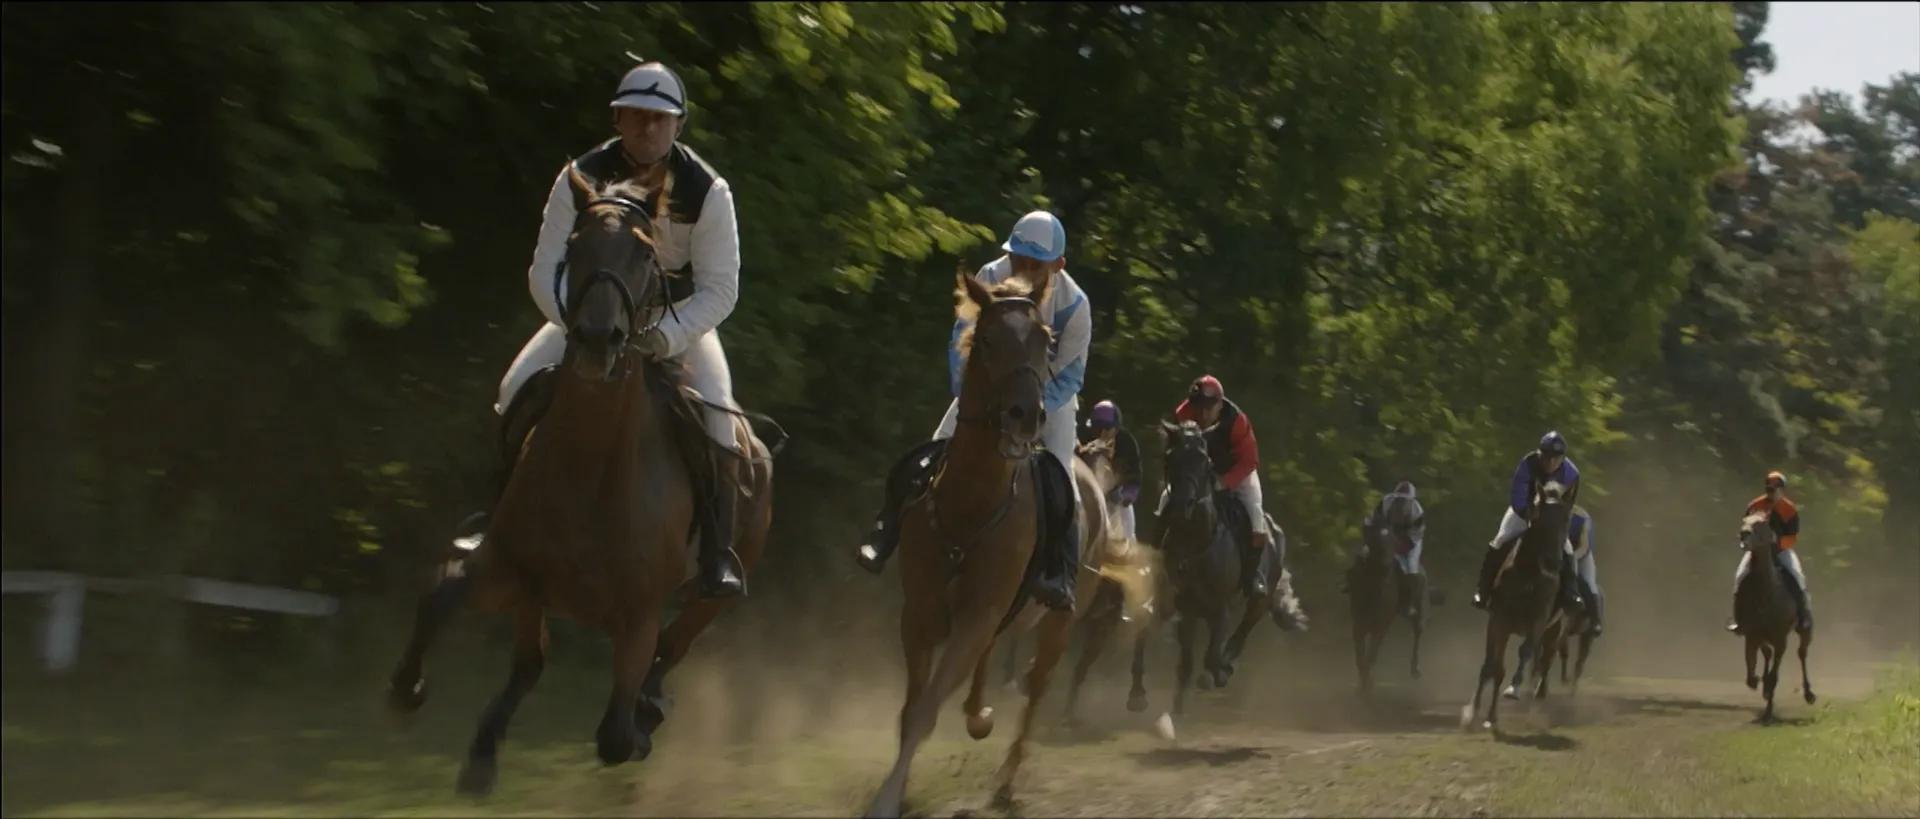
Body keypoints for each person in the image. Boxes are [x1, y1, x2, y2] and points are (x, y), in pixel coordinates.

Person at [456, 61, 749, 599]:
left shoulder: (708, 191)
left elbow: (720, 289)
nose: (648, 128)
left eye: (661, 119)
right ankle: (490, 523)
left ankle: (716, 552)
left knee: (719, 419)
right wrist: (584, 326)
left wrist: (664, 338)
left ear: (679, 126)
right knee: (513, 387)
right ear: (617, 118)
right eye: (637, 116)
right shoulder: (580, 176)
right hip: (589, 317)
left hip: (673, 319)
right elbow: (544, 271)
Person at [851, 210, 1093, 611]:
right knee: (935, 448)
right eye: (1019, 260)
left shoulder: (1076, 306)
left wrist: (1032, 411)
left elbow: (1069, 376)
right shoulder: (989, 276)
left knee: (1064, 480)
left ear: (1059, 265)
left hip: (1049, 400)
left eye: (1037, 266)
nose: (1025, 271)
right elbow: (960, 343)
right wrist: (970, 395)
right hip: (990, 392)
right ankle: (885, 533)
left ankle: (1060, 573)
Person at [1159, 375, 1274, 598]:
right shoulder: (1184, 412)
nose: (1202, 414)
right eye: (1198, 407)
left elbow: (1250, 460)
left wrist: (1226, 481)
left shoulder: (1237, 421)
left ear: (1220, 404)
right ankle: (1155, 560)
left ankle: (1253, 575)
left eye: (1208, 407)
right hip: (1202, 471)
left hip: (1238, 471)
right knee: (1166, 498)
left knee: (1255, 514)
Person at [1473, 431, 1581, 612]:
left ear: (1562, 458)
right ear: (1540, 454)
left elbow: (1568, 503)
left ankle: (1571, 593)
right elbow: (1517, 492)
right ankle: (1482, 591)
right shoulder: (1528, 464)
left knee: (1568, 550)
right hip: (1524, 510)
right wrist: (1527, 512)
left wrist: (1556, 520)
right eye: (1547, 457)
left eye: (1556, 458)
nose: (1551, 463)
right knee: (1500, 540)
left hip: (1552, 518)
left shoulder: (1572, 474)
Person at [1729, 471, 1811, 633]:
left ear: (1782, 490)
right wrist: (1745, 540)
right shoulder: (1755, 505)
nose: (1771, 493)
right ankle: (1738, 620)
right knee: (1739, 577)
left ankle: (1803, 618)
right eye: (1769, 489)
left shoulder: (1789, 510)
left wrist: (1777, 541)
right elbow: (1745, 529)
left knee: (1797, 576)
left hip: (1781, 551)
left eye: (1774, 489)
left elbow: (1792, 538)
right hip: (1757, 550)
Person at [1343, 481, 1426, 614]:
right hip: (1388, 536)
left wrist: (1400, 547)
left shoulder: (1417, 512)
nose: (1401, 502)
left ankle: (1408, 603)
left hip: (1409, 543)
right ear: (1394, 496)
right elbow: (1370, 521)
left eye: (1405, 499)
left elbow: (1415, 535)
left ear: (1411, 500)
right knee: (1363, 553)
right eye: (1399, 498)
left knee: (1410, 567)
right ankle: (1351, 585)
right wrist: (1372, 537)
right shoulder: (1385, 503)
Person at [1079, 400, 1143, 542]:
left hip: (1116, 501)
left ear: (1116, 429)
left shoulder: (1127, 444)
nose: (1101, 434)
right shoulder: (1083, 436)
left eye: (1106, 429)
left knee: (1127, 531)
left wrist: (1123, 497)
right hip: (1087, 499)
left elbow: (1135, 479)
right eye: (1097, 429)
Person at [1567, 503, 1603, 636]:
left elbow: (1584, 546)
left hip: (1581, 554)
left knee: (1588, 581)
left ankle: (1595, 621)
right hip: (1560, 552)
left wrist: (1572, 558)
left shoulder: (1581, 517)